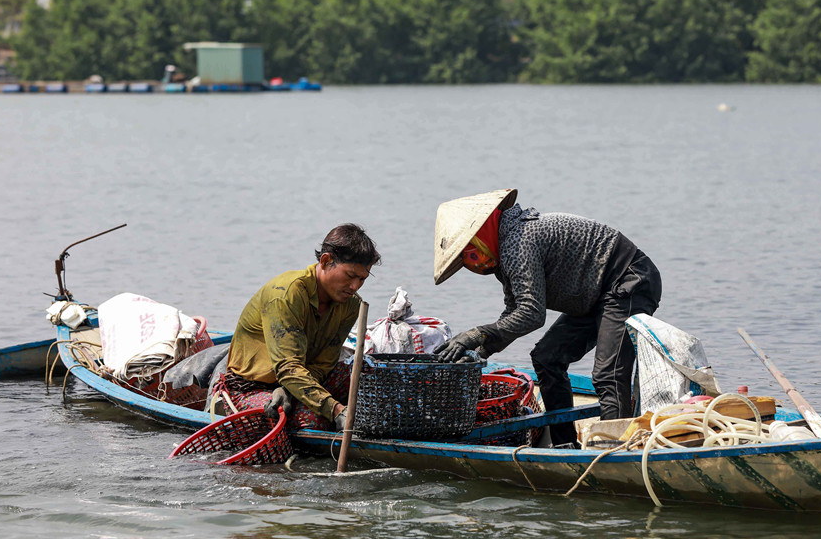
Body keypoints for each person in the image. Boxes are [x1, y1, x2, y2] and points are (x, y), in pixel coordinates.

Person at [432, 189, 662, 447]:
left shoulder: (518, 243)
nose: (474, 264)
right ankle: (564, 444)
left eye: (472, 254)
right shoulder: (507, 249)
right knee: (547, 358)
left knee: (608, 373)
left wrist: (474, 334)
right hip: (593, 295)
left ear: (482, 237)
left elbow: (531, 313)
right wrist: (480, 351)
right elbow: (514, 313)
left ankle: (615, 449)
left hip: (627, 281)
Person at [223, 223, 380, 430]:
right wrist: (335, 410)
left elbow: (324, 364)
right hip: (251, 388)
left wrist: (289, 390)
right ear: (326, 261)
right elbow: (288, 368)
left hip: (299, 381)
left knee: (368, 375)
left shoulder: (351, 305)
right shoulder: (286, 294)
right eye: (350, 276)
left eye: (362, 279)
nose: (355, 287)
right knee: (312, 422)